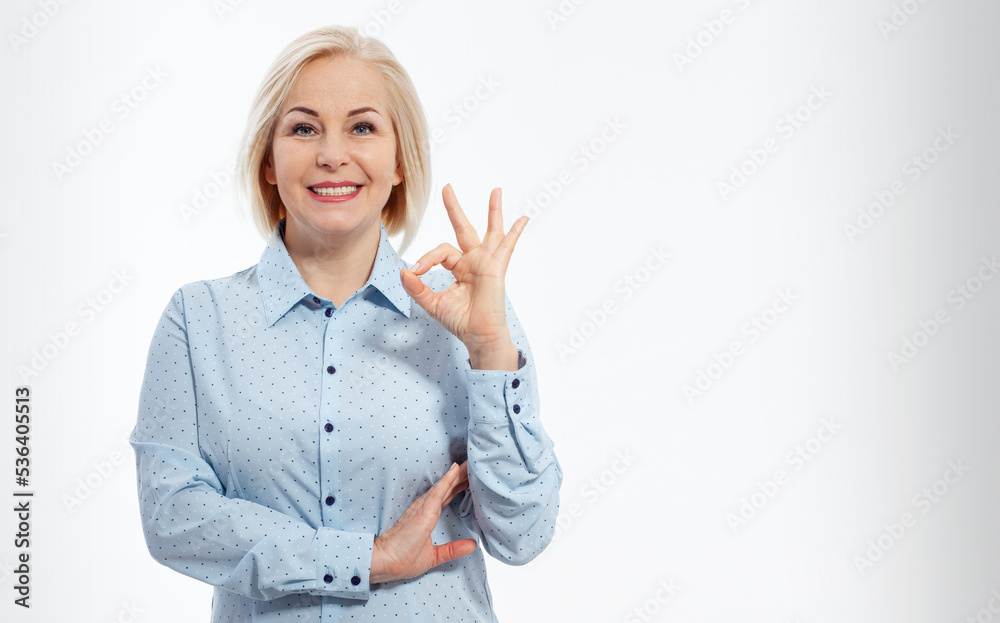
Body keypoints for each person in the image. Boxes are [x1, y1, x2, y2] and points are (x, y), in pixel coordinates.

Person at [128, 25, 562, 621]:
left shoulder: (466, 314)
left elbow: (523, 534)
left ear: (399, 162)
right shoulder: (198, 319)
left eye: (362, 128)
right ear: (269, 162)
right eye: (304, 128)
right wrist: (366, 558)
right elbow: (173, 516)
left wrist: (490, 351)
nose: (332, 154)